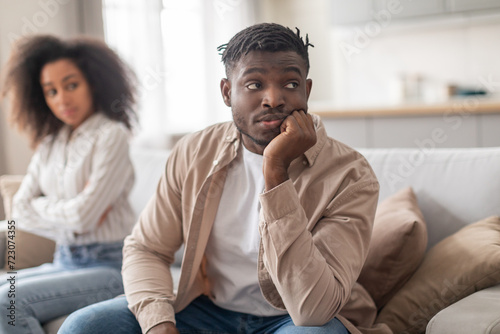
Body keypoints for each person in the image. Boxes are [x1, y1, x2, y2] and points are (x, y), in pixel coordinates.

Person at [59, 23, 384, 334]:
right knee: (83, 326)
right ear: (227, 92)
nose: (274, 98)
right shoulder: (194, 152)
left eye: (290, 84)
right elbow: (147, 249)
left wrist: (275, 171)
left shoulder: (350, 174)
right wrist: (159, 324)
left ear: (307, 90)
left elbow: (313, 309)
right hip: (209, 310)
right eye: (254, 85)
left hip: (292, 319)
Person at [0, 35, 137, 334]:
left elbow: (84, 216)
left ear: (93, 82)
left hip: (110, 265)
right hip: (63, 258)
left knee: (6, 301)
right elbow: (19, 211)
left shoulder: (110, 135)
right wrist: (71, 214)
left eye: (71, 85)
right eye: (51, 91)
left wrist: (50, 209)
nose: (62, 99)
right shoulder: (49, 144)